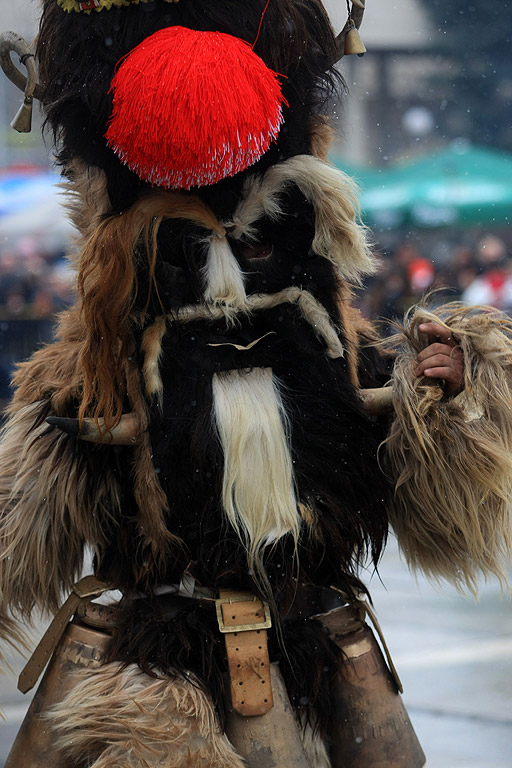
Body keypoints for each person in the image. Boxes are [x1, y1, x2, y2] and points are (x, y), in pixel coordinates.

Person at [0, 2, 508, 767]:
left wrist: (456, 391)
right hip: (161, 668)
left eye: (263, 238)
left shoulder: (339, 350)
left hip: (321, 647)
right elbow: (16, 539)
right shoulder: (90, 375)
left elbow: (448, 520)